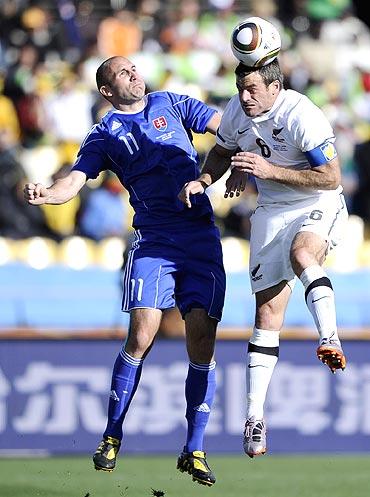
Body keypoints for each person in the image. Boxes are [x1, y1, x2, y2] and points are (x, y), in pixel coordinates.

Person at [24, 56, 226, 487]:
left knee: (202, 343)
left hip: (201, 237)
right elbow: (74, 181)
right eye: (122, 72)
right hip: (154, 239)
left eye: (134, 67)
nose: (134, 73)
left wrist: (243, 148)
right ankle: (112, 434)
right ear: (107, 90)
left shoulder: (171, 102)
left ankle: (194, 448)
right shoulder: (104, 134)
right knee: (142, 332)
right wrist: (47, 193)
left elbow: (224, 127)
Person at [178, 57, 348, 458]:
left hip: (315, 201)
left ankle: (329, 336)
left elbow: (331, 177)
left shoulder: (302, 114)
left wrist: (267, 169)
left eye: (253, 89)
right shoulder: (238, 110)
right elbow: (222, 151)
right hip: (271, 210)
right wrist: (204, 179)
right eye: (241, 89)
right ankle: (254, 417)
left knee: (303, 253)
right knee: (267, 317)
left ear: (275, 87)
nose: (245, 96)